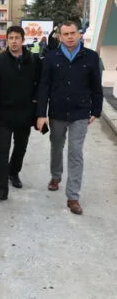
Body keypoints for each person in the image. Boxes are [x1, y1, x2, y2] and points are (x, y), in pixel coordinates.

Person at [36, 20, 103, 215]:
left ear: (79, 34)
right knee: (56, 147)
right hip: (57, 112)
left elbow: (96, 86)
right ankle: (56, 175)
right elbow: (44, 86)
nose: (70, 37)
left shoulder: (91, 57)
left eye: (73, 33)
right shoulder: (51, 57)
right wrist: (41, 114)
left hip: (80, 113)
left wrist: (96, 111)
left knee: (75, 152)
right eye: (65, 34)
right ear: (60, 37)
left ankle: (73, 196)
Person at [0, 26, 41, 200]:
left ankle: (13, 172)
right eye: (11, 38)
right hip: (3, 113)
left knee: (20, 148)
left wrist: (36, 103)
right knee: (2, 150)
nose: (14, 41)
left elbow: (40, 83)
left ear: (23, 40)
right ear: (7, 40)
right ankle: (1, 189)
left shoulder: (34, 60)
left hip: (25, 113)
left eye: (17, 38)